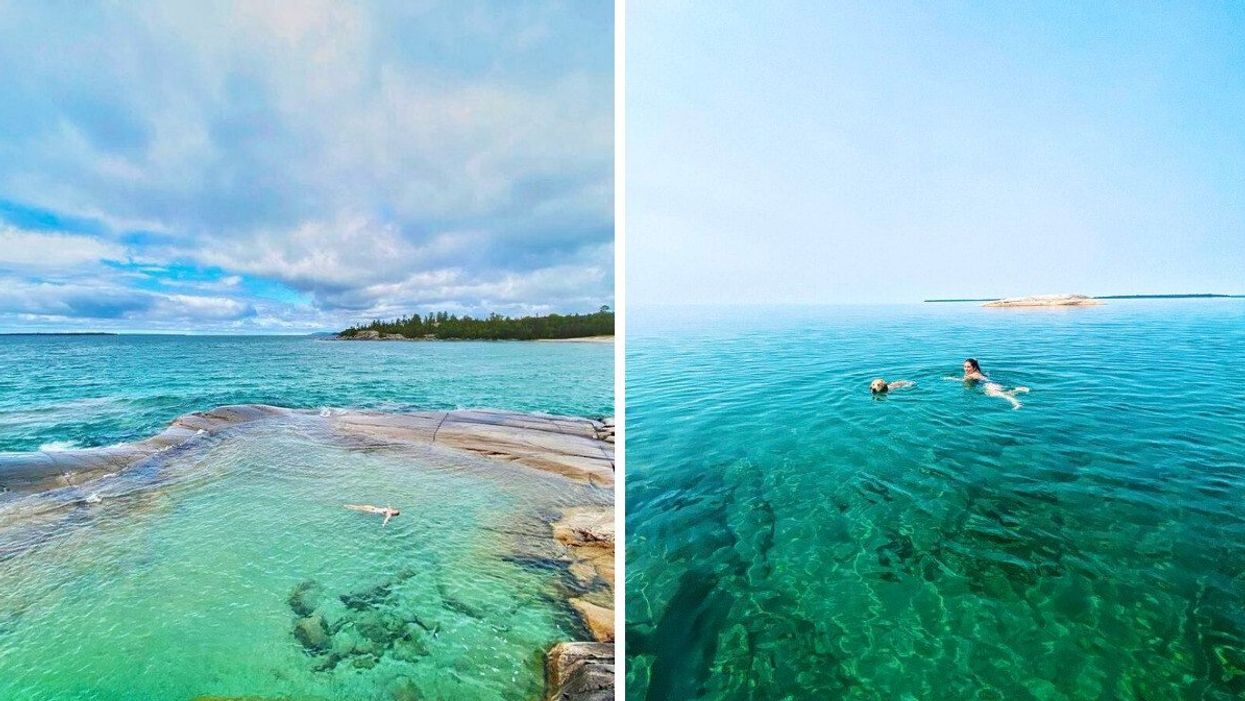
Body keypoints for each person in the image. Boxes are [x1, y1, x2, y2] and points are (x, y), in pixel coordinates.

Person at [957, 358, 1029, 409]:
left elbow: (963, 381)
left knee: (1002, 395)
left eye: (968, 367)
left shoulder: (971, 375)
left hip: (989, 386)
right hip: (992, 384)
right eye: (964, 366)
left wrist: (952, 378)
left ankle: (1017, 403)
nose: (966, 369)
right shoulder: (977, 372)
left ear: (974, 367)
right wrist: (976, 361)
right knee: (1004, 393)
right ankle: (1018, 389)